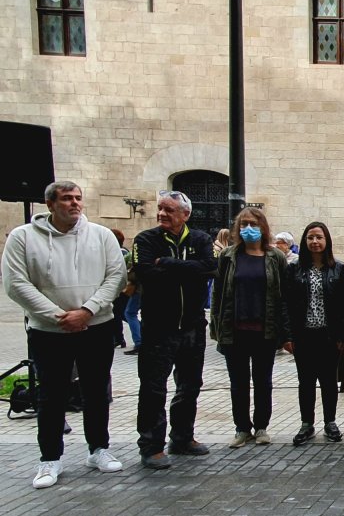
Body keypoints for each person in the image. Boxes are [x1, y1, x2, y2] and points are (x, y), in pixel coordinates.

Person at [3, 181, 127, 489]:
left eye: (78, 198)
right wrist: (58, 316)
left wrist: (87, 311)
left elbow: (116, 276)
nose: (74, 203)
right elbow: (17, 283)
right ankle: (50, 458)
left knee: (96, 391)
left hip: (95, 327)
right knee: (51, 395)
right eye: (66, 199)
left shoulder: (100, 236)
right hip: (49, 331)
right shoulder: (22, 238)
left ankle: (98, 449)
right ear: (50, 204)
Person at [132, 190, 216, 469]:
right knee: (154, 387)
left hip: (192, 325)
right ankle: (151, 445)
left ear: (185, 215)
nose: (162, 214)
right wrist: (187, 270)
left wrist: (167, 263)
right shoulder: (146, 240)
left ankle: (182, 437)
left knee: (190, 385)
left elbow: (209, 270)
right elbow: (146, 273)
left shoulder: (201, 240)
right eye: (160, 209)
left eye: (169, 210)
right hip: (159, 327)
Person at [211, 207, 291, 447]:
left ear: (263, 228)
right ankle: (242, 428)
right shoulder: (228, 256)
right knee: (238, 382)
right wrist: (216, 328)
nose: (248, 229)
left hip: (264, 330)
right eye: (244, 224)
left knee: (263, 381)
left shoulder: (275, 257)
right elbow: (218, 294)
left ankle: (261, 427)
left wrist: (284, 332)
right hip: (234, 330)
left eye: (253, 224)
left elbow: (283, 296)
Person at [285, 221, 344, 445]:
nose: (315, 242)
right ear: (304, 241)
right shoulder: (293, 269)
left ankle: (330, 422)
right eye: (310, 238)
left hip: (329, 335)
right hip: (303, 335)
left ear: (327, 241)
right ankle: (307, 424)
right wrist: (287, 336)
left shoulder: (339, 269)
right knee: (305, 381)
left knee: (328, 380)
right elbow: (285, 303)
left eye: (319, 237)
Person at [111, 228, 130, 349]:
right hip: (120, 289)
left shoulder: (121, 252)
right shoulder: (124, 251)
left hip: (122, 289)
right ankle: (119, 338)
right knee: (122, 314)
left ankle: (119, 339)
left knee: (121, 314)